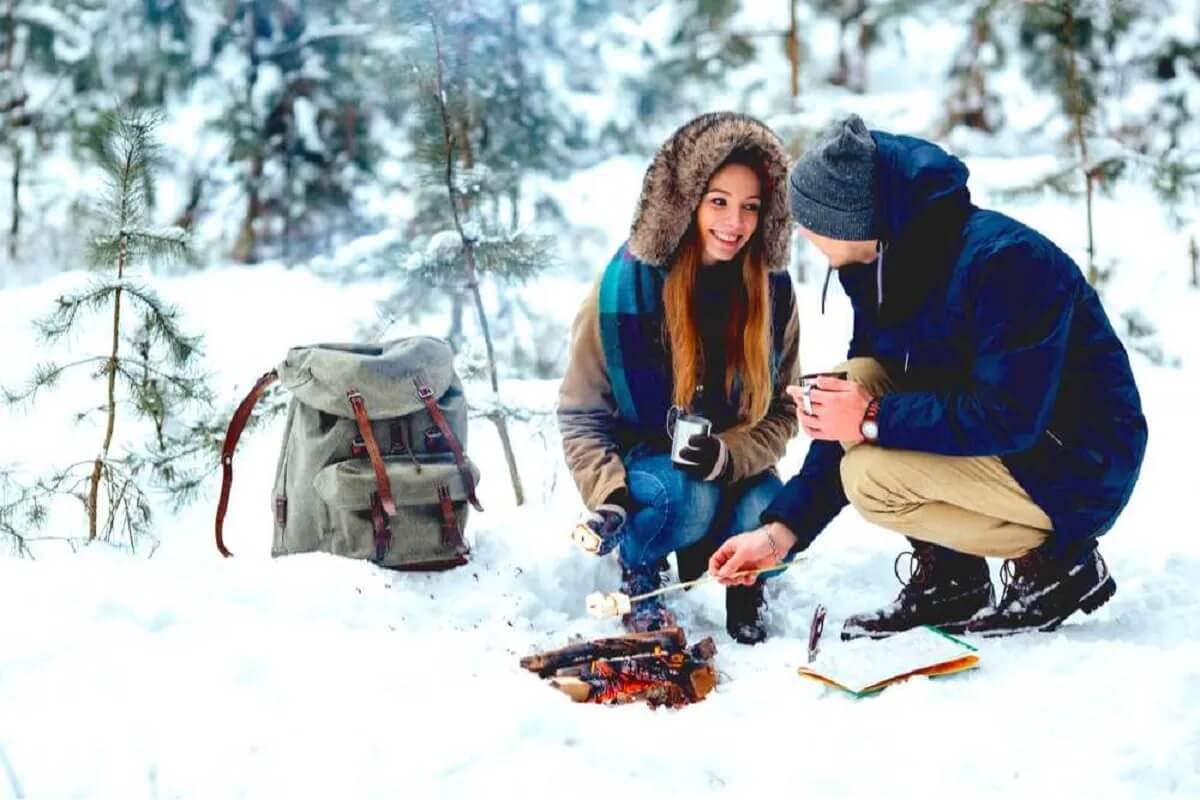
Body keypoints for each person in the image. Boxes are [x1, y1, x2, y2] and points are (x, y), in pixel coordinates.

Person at [709, 114, 1147, 639]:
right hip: (1011, 445)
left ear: (851, 220)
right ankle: (954, 579)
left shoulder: (1004, 263)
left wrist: (871, 418)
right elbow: (852, 401)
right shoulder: (881, 265)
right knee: (853, 377)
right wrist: (781, 532)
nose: (800, 231)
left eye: (810, 220)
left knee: (871, 476)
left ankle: (1058, 567)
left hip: (1079, 464)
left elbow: (1010, 414)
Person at [557, 112, 801, 644]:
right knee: (686, 496)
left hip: (734, 464)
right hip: (652, 469)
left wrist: (728, 455)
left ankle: (746, 581)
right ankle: (641, 570)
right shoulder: (624, 288)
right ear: (684, 201)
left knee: (771, 516)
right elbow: (581, 416)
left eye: (751, 207)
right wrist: (610, 496)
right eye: (718, 201)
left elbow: (783, 410)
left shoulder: (773, 292)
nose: (734, 224)